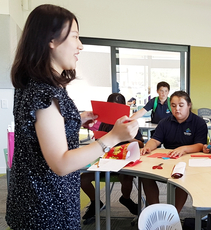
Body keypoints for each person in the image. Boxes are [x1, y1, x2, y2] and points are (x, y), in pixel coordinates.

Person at [6, 5, 138, 229]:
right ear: (51, 40)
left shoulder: (33, 83)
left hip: (32, 199)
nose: (80, 45)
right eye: (75, 36)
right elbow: (61, 163)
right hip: (46, 207)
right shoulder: (45, 92)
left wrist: (75, 118)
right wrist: (113, 138)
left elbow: (41, 129)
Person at [80, 93, 144, 224]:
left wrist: (127, 137)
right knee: (83, 179)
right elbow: (99, 143)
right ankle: (95, 202)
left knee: (126, 177)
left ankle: (125, 198)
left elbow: (141, 144)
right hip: (105, 160)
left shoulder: (130, 123)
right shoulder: (103, 123)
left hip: (123, 160)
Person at [140, 90, 207, 213]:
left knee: (182, 177)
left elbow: (200, 145)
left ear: (189, 105)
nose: (177, 109)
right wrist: (148, 147)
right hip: (169, 158)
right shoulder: (165, 122)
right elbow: (155, 140)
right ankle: (157, 212)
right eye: (173, 105)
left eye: (181, 105)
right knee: (145, 176)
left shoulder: (199, 122)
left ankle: (173, 214)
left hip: (190, 161)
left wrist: (183, 149)